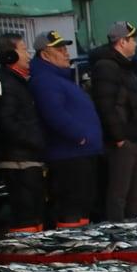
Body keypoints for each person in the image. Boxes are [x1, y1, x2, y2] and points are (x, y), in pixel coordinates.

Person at [29, 30, 102, 227]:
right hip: (68, 155)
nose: (66, 53)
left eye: (65, 48)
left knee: (83, 204)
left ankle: (82, 239)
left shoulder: (61, 79)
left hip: (82, 153)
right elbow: (53, 113)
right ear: (45, 54)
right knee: (71, 206)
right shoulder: (45, 80)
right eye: (59, 49)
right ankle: (70, 241)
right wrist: (79, 135)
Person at [89, 21, 137, 221]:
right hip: (123, 141)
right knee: (119, 192)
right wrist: (119, 137)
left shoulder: (127, 68)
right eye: (133, 40)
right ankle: (116, 231)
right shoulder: (107, 67)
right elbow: (105, 105)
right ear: (122, 42)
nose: (136, 44)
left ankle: (135, 230)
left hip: (136, 138)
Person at [0, 32, 46, 233]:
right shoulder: (6, 84)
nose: (28, 55)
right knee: (26, 218)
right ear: (10, 55)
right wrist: (37, 141)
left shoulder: (19, 83)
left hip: (28, 160)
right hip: (18, 163)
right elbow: (7, 123)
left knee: (36, 215)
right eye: (23, 50)